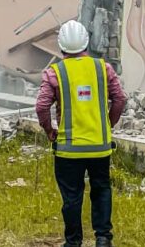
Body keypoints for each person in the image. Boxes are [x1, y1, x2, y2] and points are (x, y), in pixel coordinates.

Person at [36, 20, 127, 247]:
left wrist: (50, 131)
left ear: (61, 46)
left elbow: (41, 106)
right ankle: (103, 238)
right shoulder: (103, 68)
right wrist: (108, 124)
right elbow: (120, 98)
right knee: (101, 190)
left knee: (72, 197)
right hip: (100, 147)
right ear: (87, 42)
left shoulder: (54, 73)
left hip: (68, 151)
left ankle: (73, 241)